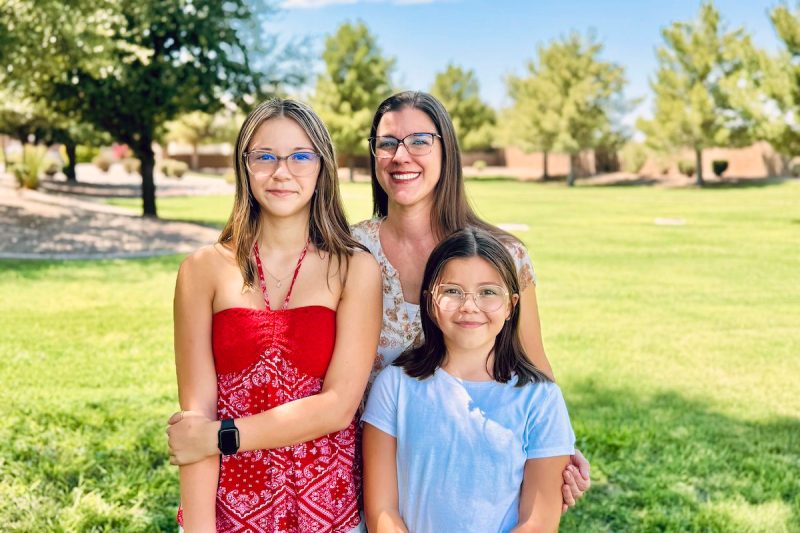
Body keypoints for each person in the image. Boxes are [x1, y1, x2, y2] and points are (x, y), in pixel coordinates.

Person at [350, 91, 590, 510]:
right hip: (360, 474)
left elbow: (532, 364)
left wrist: (557, 448)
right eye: (387, 143)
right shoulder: (348, 251)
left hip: (470, 475)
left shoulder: (503, 256)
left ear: (447, 151)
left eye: (420, 141)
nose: (401, 156)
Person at [170, 98, 381, 532]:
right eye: (264, 156)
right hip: (230, 510)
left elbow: (338, 408)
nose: (281, 172)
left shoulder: (355, 269)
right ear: (244, 167)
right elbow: (194, 424)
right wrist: (200, 527)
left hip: (328, 511)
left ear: (322, 167)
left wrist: (222, 436)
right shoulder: (202, 269)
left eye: (300, 156)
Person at [362, 228, 575, 532]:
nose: (469, 306)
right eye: (452, 291)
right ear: (430, 302)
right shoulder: (394, 386)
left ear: (511, 305)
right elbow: (382, 510)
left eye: (488, 292)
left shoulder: (540, 398)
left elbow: (537, 523)